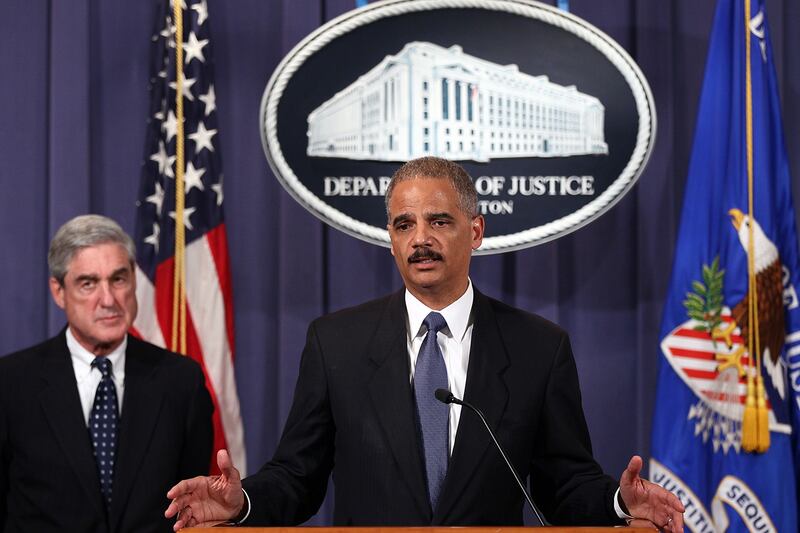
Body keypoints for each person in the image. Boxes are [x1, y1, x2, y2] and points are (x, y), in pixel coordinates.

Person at [165, 157, 685, 531]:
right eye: (404, 225)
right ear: (391, 238)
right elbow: (297, 477)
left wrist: (620, 503)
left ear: (475, 232)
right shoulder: (336, 343)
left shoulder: (538, 348)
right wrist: (242, 503)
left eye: (439, 221)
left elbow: (564, 483)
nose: (420, 239)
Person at [0, 214, 214, 533]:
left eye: (118, 279)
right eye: (88, 283)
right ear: (59, 291)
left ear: (133, 279)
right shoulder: (11, 383)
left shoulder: (181, 380)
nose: (109, 300)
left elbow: (191, 507)